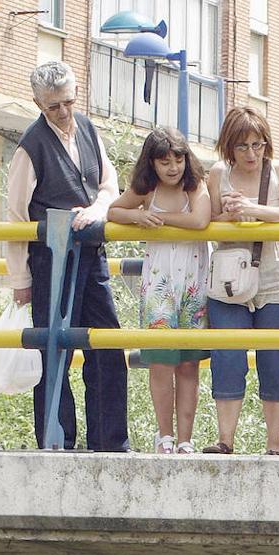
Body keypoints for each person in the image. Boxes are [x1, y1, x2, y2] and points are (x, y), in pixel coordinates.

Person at [5, 61, 128, 451]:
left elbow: (109, 184)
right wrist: (20, 280)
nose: (63, 112)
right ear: (38, 103)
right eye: (54, 106)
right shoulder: (31, 144)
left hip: (92, 255)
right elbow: (15, 214)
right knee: (54, 349)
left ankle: (109, 441)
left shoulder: (89, 129)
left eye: (69, 102)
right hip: (49, 260)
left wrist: (98, 207)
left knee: (107, 345)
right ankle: (58, 441)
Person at [203, 107, 279, 456]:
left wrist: (256, 211)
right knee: (227, 357)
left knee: (274, 360)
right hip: (230, 281)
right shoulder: (218, 174)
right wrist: (230, 214)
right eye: (242, 147)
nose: (251, 154)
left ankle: (275, 445)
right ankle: (225, 441)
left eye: (257, 145)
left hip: (278, 280)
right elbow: (207, 219)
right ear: (228, 148)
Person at [107, 127, 211, 455]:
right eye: (164, 161)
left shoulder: (196, 184)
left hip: (193, 284)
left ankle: (185, 439)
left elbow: (200, 220)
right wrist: (139, 216)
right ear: (151, 163)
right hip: (159, 285)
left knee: (189, 363)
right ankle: (164, 435)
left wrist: (161, 219)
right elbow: (113, 211)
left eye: (178, 159)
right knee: (161, 362)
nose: (172, 168)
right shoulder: (146, 189)